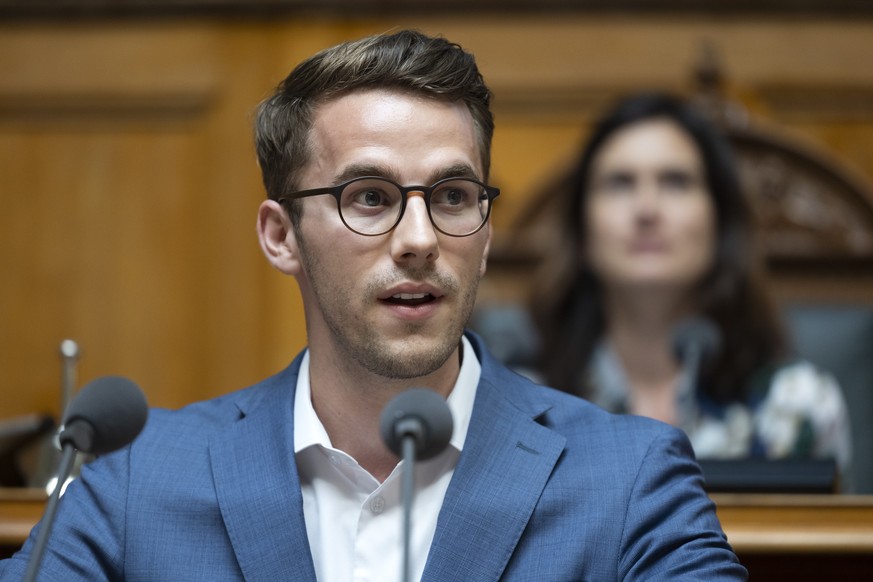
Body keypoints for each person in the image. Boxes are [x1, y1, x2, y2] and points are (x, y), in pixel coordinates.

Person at [1, 33, 746, 580]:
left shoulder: (627, 478)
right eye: (369, 198)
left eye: (453, 197)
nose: (420, 239)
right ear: (280, 235)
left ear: (484, 236)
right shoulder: (135, 479)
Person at [528, 93, 851, 478]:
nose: (647, 209)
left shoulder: (799, 405)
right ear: (582, 228)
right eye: (619, 183)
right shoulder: (526, 401)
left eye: (676, 182)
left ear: (720, 223)